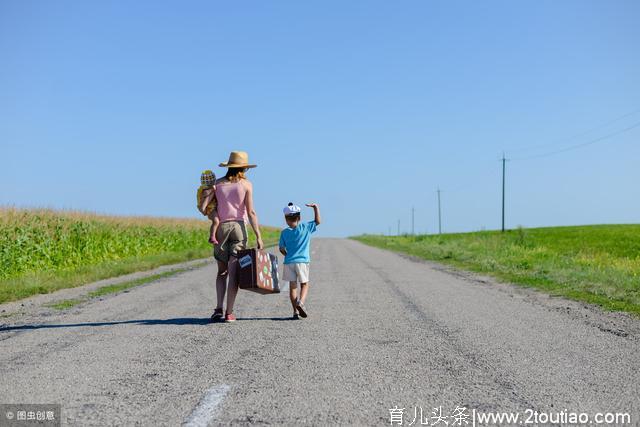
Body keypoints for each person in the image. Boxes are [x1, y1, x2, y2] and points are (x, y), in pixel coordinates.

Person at [212, 151, 264, 323]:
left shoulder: (217, 184)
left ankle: (218, 308)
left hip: (221, 229)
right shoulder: (246, 184)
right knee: (234, 273)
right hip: (239, 229)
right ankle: (229, 312)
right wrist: (258, 236)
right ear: (244, 168)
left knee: (222, 272)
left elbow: (210, 208)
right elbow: (251, 212)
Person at [278, 202, 321, 319]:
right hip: (302, 262)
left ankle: (294, 312)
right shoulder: (306, 227)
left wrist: (287, 255)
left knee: (293, 287)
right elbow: (318, 221)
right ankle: (300, 303)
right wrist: (315, 208)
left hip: (289, 262)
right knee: (305, 284)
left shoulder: (284, 232)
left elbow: (282, 249)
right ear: (299, 218)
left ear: (286, 219)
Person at [196, 170, 220, 244]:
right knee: (216, 221)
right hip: (210, 209)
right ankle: (212, 236)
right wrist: (213, 189)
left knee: (216, 221)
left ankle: (213, 236)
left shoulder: (205, 189)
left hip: (212, 208)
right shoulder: (205, 190)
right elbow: (206, 194)